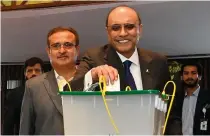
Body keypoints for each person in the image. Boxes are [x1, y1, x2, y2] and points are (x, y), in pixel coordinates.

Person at [71, 5, 170, 93]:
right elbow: (70, 90)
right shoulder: (93, 57)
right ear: (108, 32)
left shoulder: (158, 61)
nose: (123, 33)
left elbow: (172, 105)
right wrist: (92, 76)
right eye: (115, 28)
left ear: (140, 29)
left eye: (129, 26)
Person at [19, 27, 79, 135]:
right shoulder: (33, 86)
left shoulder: (92, 80)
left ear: (77, 50)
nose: (62, 50)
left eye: (68, 45)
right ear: (48, 52)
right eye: (56, 46)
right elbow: (25, 130)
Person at [165, 61, 210, 135]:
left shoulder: (207, 97)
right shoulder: (175, 99)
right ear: (181, 77)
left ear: (200, 76)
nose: (189, 77)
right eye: (186, 73)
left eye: (193, 73)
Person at [3, 57, 44, 135]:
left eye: (37, 70)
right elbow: (8, 123)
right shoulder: (14, 94)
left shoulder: (50, 92)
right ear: (25, 74)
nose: (33, 73)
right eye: (30, 71)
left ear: (43, 73)